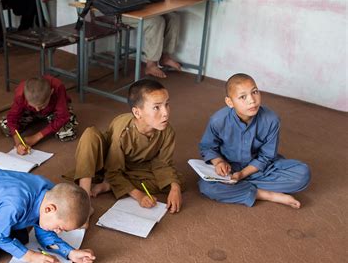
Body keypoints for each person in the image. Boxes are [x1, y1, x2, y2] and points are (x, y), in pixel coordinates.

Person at [68, 79, 183, 213]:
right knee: (90, 135)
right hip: (107, 161)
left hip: (138, 168)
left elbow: (163, 164)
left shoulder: (167, 131)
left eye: (167, 104)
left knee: (179, 181)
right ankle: (85, 199)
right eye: (156, 107)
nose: (166, 113)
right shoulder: (122, 129)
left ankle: (112, 185)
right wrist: (139, 195)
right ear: (137, 112)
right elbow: (113, 168)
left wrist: (175, 188)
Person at [198, 73, 311, 208]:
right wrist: (219, 162)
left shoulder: (271, 120)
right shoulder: (218, 120)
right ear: (229, 102)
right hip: (230, 169)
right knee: (206, 187)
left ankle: (239, 187)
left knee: (302, 174)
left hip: (259, 168)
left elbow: (266, 156)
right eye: (243, 97)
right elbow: (207, 147)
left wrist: (243, 174)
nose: (252, 100)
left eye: (255, 92)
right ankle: (265, 194)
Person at [0, 76, 78, 155]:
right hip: (29, 112)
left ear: (51, 92)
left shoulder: (57, 87)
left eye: (42, 106)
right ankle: (39, 119)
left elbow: (62, 116)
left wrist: (36, 137)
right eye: (33, 105)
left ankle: (43, 121)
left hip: (52, 111)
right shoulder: (21, 92)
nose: (38, 109)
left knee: (67, 133)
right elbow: (12, 117)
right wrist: (18, 141)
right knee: (6, 126)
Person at [123, 12, 181, 78]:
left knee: (173, 17)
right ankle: (151, 65)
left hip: (143, 8)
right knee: (156, 21)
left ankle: (165, 57)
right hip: (121, 12)